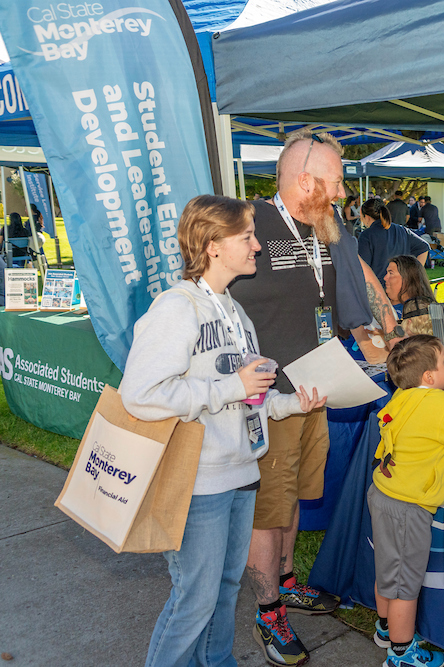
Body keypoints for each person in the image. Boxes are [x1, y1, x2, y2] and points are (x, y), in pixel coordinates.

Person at [119, 195, 326, 667]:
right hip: (199, 481)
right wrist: (228, 386)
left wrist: (294, 403)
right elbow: (141, 393)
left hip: (241, 473)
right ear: (213, 246)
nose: (258, 245)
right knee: (194, 601)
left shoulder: (236, 313)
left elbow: (249, 399)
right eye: (247, 237)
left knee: (225, 591)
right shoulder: (177, 308)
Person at [229, 130, 382, 667]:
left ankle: (287, 581)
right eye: (336, 181)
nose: (341, 193)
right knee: (267, 511)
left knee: (293, 494)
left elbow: (342, 285)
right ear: (305, 181)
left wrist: (380, 329)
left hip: (315, 390)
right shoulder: (245, 225)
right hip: (267, 401)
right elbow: (205, 296)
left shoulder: (322, 226)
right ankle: (268, 610)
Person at [369, 335, 444, 667]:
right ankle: (401, 652)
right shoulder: (441, 407)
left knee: (387, 570)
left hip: (383, 494)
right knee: (406, 584)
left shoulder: (403, 395)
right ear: (429, 376)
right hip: (409, 506)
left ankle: (385, 629)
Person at [357, 198, 430, 285]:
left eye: (362, 217)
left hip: (379, 290)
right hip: (400, 288)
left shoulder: (366, 235)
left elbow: (362, 269)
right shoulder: (402, 230)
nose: (361, 220)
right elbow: (424, 247)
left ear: (367, 217)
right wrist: (414, 277)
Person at [384, 254, 436, 337]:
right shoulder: (379, 303)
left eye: (391, 273)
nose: (385, 278)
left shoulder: (421, 311)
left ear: (407, 278)